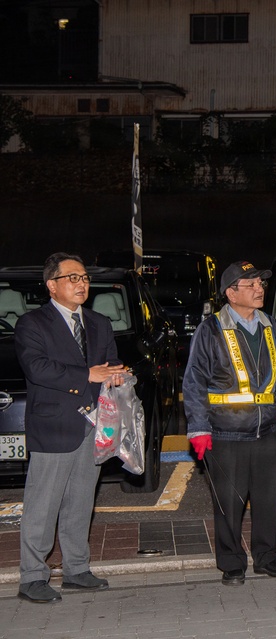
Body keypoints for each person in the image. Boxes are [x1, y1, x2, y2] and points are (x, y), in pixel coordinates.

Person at [184, 260, 276, 586]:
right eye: (250, 284)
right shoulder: (210, 329)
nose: (259, 289)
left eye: (260, 283)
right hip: (224, 432)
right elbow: (194, 381)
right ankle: (232, 563)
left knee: (270, 501)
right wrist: (198, 428)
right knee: (229, 505)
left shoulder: (271, 326)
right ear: (230, 292)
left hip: (265, 430)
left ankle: (267, 557)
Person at [14, 253, 126, 603]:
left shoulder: (99, 322)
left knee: (80, 501)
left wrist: (119, 376)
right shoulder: (32, 323)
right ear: (52, 285)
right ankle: (32, 576)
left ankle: (77, 569)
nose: (82, 284)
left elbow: (110, 364)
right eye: (73, 278)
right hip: (55, 425)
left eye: (85, 278)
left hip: (94, 424)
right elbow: (37, 369)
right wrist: (87, 375)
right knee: (42, 505)